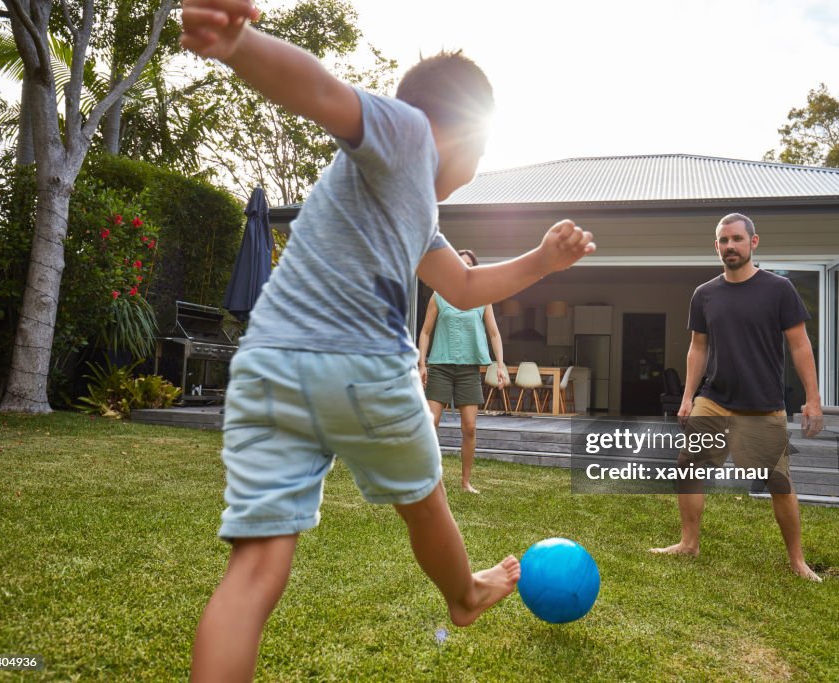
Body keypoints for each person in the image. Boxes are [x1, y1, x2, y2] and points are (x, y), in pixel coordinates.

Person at [180, 2, 596, 680]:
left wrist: (541, 262)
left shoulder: (409, 204)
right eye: (482, 149)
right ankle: (464, 595)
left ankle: (464, 594)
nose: (477, 163)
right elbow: (321, 93)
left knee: (255, 568)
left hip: (271, 364)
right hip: (362, 364)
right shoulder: (408, 133)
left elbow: (460, 284)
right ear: (461, 126)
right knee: (424, 498)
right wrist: (240, 43)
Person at [650, 213, 824, 582]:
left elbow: (800, 345)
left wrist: (813, 398)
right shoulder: (705, 294)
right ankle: (688, 543)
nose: (730, 246)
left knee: (778, 484)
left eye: (736, 239)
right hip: (714, 398)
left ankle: (796, 560)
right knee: (689, 467)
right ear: (716, 246)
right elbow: (697, 349)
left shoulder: (779, 289)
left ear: (753, 242)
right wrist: (686, 398)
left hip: (762, 403)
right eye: (723, 240)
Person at [418, 249, 507, 494]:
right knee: (431, 423)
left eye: (469, 265)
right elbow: (425, 332)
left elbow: (494, 333)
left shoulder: (483, 298)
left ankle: (466, 482)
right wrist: (422, 364)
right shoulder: (439, 296)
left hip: (468, 370)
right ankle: (430, 479)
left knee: (469, 427)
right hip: (441, 368)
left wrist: (500, 364)